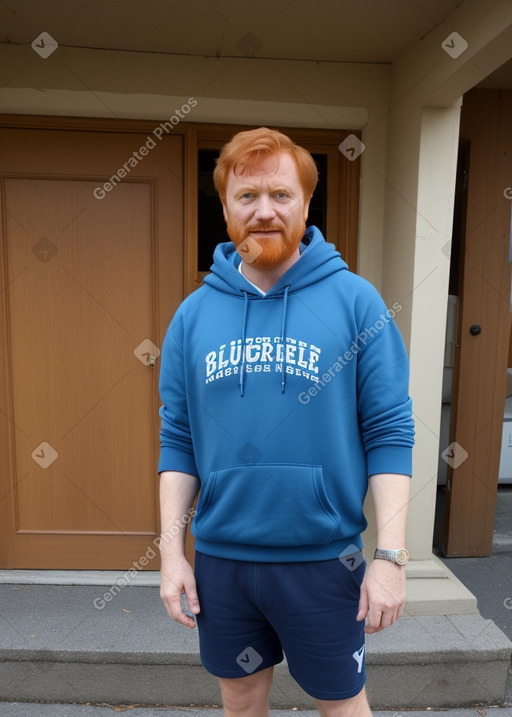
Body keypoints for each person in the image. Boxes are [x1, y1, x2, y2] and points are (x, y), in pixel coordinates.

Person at [158, 127, 415, 717]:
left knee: (342, 705)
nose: (264, 212)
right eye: (247, 197)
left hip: (324, 562)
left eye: (281, 195)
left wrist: (391, 558)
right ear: (224, 207)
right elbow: (178, 441)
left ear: (305, 204)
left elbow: (390, 435)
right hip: (223, 562)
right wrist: (173, 556)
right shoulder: (193, 315)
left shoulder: (356, 302)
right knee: (241, 701)